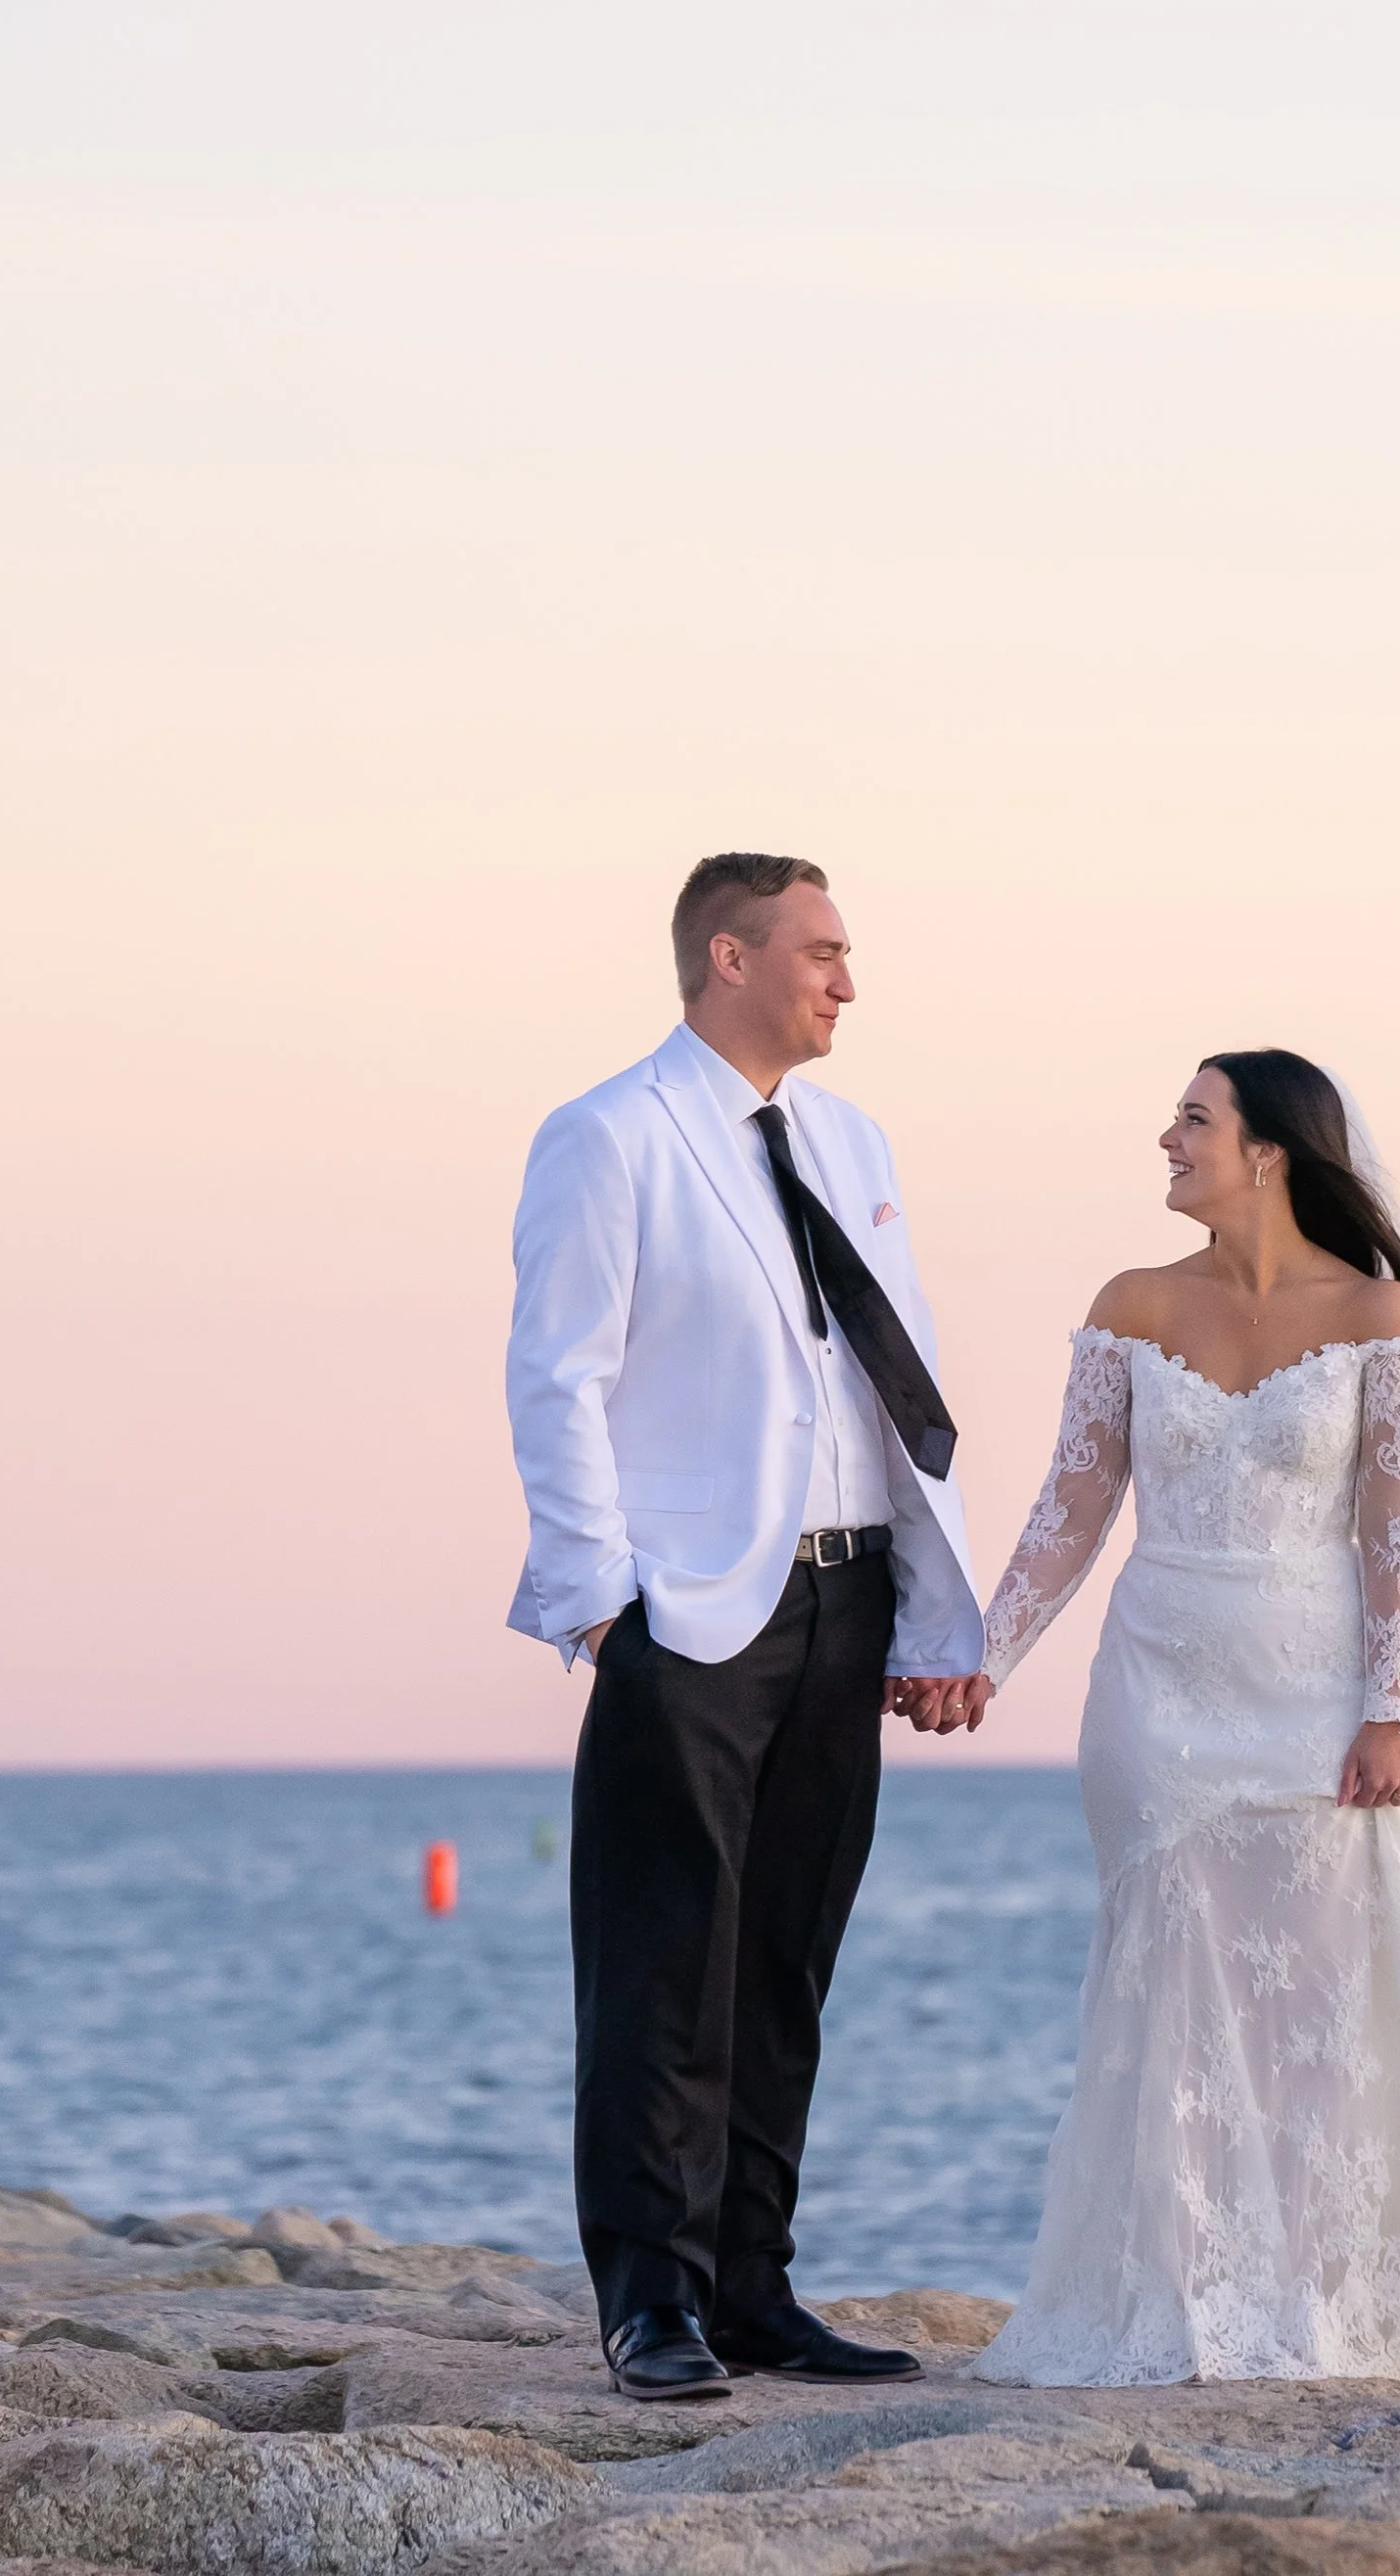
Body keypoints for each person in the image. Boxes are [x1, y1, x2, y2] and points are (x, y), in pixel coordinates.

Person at [902, 1048, 1400, 2384]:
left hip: (1312, 1697)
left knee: (1323, 2007)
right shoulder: (1129, 1305)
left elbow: (1394, 1531)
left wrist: (1391, 1706)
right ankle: (1183, 2297)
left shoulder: (1383, 1317)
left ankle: (1318, 2300)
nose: (1165, 1136)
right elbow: (1073, 1506)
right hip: (1155, 1694)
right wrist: (979, 1654)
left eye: (1193, 1118)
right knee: (1169, 1984)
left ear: (1270, 1151)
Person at [503, 854, 983, 2404]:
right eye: (824, 950)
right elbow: (557, 1375)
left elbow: (879, 1381)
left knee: (784, 1954)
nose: (849, 980)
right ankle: (651, 2300)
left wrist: (923, 1603)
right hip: (694, 1605)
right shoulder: (608, 1136)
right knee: (662, 1958)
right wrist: (599, 1603)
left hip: (846, 1596)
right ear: (729, 954)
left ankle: (756, 2284)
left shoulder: (853, 1141)